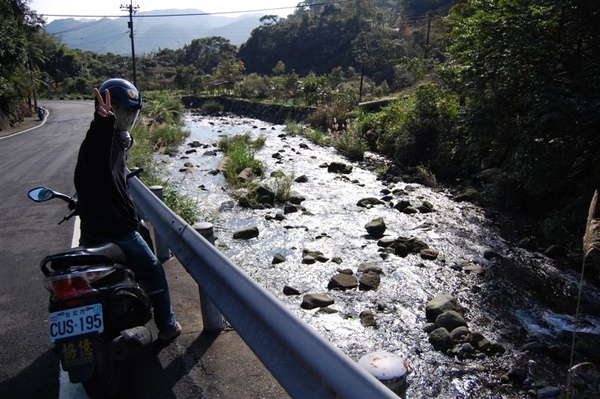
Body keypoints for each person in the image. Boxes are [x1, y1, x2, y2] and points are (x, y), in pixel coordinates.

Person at [74, 78, 181, 341]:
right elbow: (98, 153)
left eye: (127, 115)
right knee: (155, 270)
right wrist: (104, 121)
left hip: (90, 230)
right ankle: (167, 327)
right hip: (118, 231)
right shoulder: (100, 141)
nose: (122, 121)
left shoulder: (116, 143)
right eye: (117, 113)